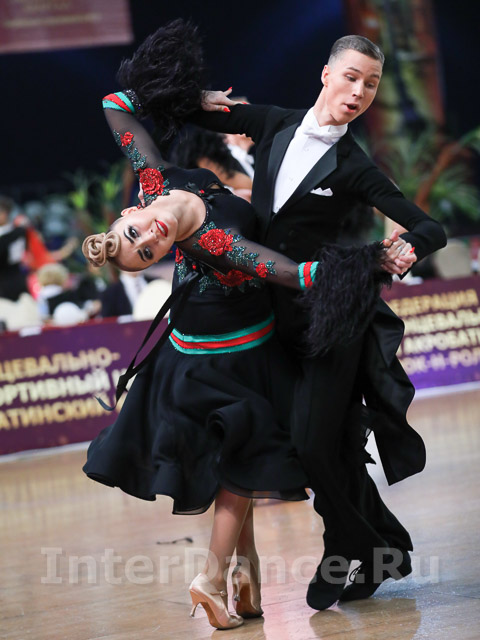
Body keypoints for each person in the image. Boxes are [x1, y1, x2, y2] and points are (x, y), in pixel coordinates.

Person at [81, 23, 404, 630]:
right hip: (229, 352)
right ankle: (212, 577)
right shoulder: (212, 239)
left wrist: (193, 98)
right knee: (248, 459)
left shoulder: (155, 179)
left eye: (138, 234)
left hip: (220, 341)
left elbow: (115, 103)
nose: (151, 239)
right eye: (148, 253)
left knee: (247, 457)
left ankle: (245, 574)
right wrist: (364, 262)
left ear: (130, 211)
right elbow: (286, 271)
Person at [171, 31, 448, 609]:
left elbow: (429, 227)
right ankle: (381, 550)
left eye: (371, 84)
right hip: (270, 319)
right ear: (326, 74)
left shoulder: (354, 165)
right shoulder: (274, 123)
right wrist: (197, 96)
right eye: (351, 77)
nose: (360, 92)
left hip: (331, 323)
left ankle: (344, 549)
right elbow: (191, 113)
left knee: (314, 445)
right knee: (328, 448)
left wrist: (406, 249)